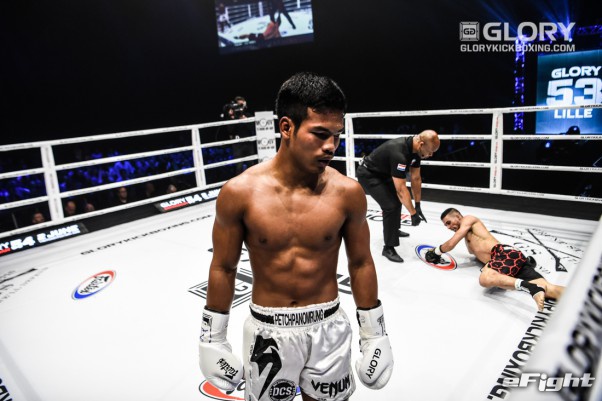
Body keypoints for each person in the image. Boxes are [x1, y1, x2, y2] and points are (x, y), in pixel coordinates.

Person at [199, 72, 393, 401]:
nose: (330, 146)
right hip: (268, 331)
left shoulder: (348, 192)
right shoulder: (240, 193)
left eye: (336, 135)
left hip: (329, 326)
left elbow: (361, 263)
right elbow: (223, 267)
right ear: (287, 127)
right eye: (320, 134)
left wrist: (375, 334)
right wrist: (211, 338)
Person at [427, 208, 565, 311]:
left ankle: (532, 288)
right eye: (446, 225)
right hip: (506, 263)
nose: (449, 227)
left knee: (485, 279)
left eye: (449, 222)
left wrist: (435, 251)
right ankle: (578, 298)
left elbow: (451, 244)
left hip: (504, 254)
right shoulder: (468, 238)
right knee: (549, 289)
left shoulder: (468, 219)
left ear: (458, 216)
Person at [356, 131, 440, 263]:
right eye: (430, 152)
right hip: (369, 174)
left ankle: (393, 230)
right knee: (390, 206)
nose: (431, 155)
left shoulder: (416, 152)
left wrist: (417, 205)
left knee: (397, 201)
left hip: (384, 173)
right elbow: (401, 190)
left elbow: (416, 178)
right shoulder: (399, 153)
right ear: (421, 144)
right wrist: (413, 214)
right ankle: (388, 248)